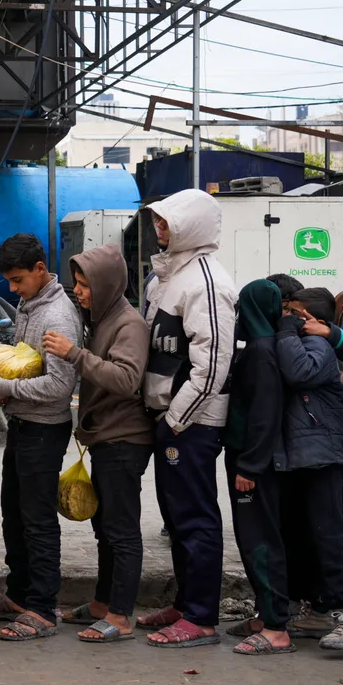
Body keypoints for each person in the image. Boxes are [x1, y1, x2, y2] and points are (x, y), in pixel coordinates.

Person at [135, 189, 235, 648]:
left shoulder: (206, 282)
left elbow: (212, 362)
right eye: (157, 222)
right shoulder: (166, 278)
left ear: (190, 225)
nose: (160, 230)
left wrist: (176, 419)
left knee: (195, 516)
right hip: (167, 417)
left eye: (168, 223)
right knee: (176, 517)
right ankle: (185, 601)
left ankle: (201, 616)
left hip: (191, 422)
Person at [0, 233, 80, 641]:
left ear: (40, 270)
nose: (13, 289)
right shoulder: (29, 304)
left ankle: (42, 608)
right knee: (13, 514)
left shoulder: (58, 316)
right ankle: (18, 594)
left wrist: (3, 388)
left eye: (18, 280)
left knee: (36, 520)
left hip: (44, 430)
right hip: (21, 424)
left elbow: (59, 386)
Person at [43, 245, 151, 644]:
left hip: (124, 439)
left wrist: (75, 355)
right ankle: (104, 603)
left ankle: (121, 616)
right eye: (77, 284)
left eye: (85, 285)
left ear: (106, 284)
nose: (79, 292)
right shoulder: (101, 318)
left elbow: (126, 379)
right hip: (104, 437)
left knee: (121, 530)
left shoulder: (128, 325)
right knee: (104, 528)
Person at [275, 287, 343, 654]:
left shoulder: (318, 348)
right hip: (304, 453)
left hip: (322, 452)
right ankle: (320, 607)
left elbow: (300, 374)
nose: (287, 318)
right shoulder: (308, 343)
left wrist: (291, 332)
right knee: (308, 533)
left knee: (330, 535)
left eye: (295, 313)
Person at [219, 280, 292, 654]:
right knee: (252, 541)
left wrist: (249, 465)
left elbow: (265, 415)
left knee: (260, 541)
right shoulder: (259, 348)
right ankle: (266, 615)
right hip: (246, 459)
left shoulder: (262, 352)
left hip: (253, 465)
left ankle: (277, 628)